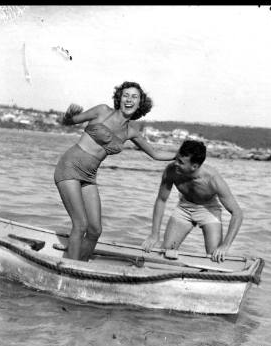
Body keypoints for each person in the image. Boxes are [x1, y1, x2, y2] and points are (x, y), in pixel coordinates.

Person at [54, 81, 175, 261]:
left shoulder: (131, 132)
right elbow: (68, 122)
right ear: (119, 98)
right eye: (126, 95)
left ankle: (81, 266)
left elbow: (155, 154)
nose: (129, 99)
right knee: (80, 225)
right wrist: (69, 115)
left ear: (140, 102)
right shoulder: (102, 111)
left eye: (134, 97)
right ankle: (69, 269)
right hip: (70, 166)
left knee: (95, 230)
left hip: (89, 175)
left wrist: (179, 155)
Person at [142, 140, 243, 262]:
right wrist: (154, 235)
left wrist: (225, 245)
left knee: (215, 257)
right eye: (176, 158)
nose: (175, 163)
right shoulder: (171, 171)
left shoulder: (213, 179)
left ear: (194, 166)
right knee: (166, 251)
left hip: (209, 210)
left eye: (181, 162)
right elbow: (161, 200)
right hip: (184, 207)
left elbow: (237, 213)